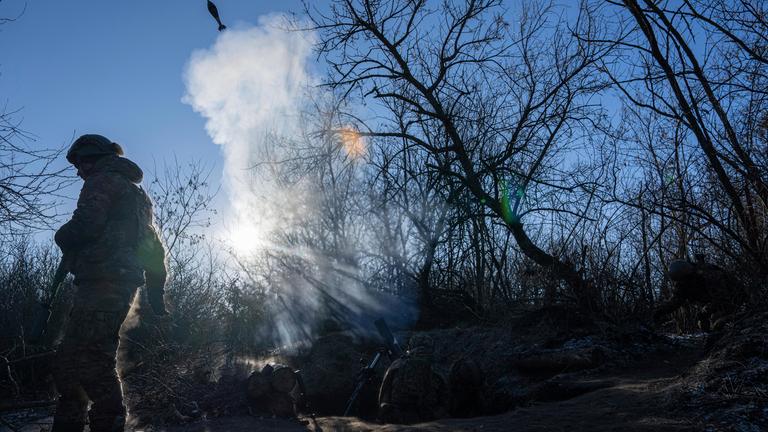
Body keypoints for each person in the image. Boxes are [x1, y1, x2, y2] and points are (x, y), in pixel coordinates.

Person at [52, 134, 168, 432]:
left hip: (103, 282)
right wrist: (156, 293)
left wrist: (61, 236)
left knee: (89, 359)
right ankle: (72, 422)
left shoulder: (102, 181)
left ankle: (106, 422)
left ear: (92, 157)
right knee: (73, 359)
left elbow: (86, 224)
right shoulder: (137, 195)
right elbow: (153, 247)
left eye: (80, 163)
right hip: (116, 284)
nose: (78, 171)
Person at [378, 334, 447, 424]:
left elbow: (383, 393)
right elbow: (445, 397)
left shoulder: (397, 364)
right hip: (429, 417)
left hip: (399, 417)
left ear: (410, 346)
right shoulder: (437, 367)